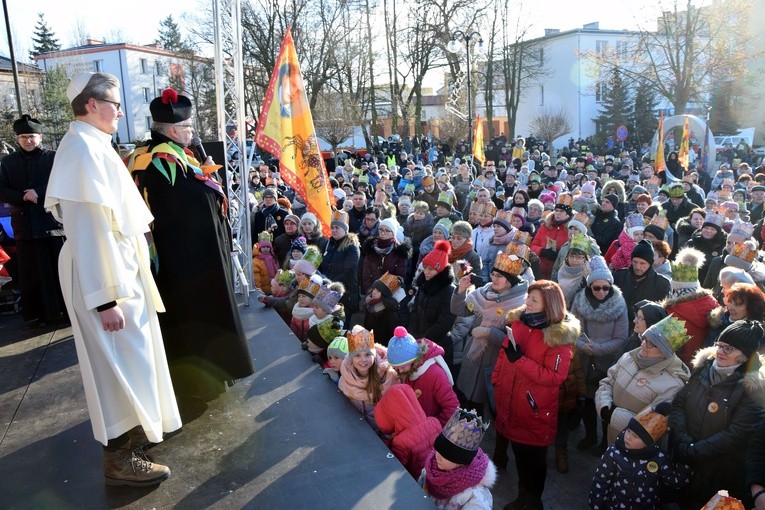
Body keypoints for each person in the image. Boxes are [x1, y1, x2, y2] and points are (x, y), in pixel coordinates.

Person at [44, 72, 181, 486]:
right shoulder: (81, 153)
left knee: (133, 362)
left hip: (115, 273)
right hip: (105, 280)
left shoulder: (92, 146)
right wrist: (105, 299)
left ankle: (136, 442)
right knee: (115, 368)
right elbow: (89, 231)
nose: (120, 112)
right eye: (115, 104)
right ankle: (120, 459)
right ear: (91, 105)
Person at [129, 88, 254, 408]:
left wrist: (206, 173)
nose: (192, 133)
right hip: (188, 262)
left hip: (182, 258)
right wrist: (211, 184)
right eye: (188, 128)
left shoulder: (157, 153)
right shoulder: (160, 160)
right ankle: (201, 383)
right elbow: (193, 205)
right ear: (172, 131)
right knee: (196, 322)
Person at [491, 280, 580, 509]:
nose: (527, 303)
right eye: (528, 298)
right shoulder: (519, 323)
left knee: (533, 460)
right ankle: (523, 498)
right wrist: (497, 379)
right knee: (520, 455)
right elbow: (504, 354)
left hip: (534, 410)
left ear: (548, 305)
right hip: (510, 401)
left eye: (534, 300)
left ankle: (532, 502)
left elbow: (554, 377)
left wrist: (520, 361)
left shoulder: (558, 338)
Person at [670, 320, 765, 509]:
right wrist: (682, 439)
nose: (720, 352)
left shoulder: (754, 389)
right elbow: (680, 401)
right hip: (685, 458)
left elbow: (736, 433)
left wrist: (695, 450)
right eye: (720, 345)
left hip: (717, 473)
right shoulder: (703, 368)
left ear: (745, 355)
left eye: (729, 348)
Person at [0, 114, 66, 325]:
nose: (28, 140)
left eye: (32, 136)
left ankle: (64, 313)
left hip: (51, 224)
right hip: (25, 226)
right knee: (32, 275)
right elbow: (1, 189)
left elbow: (63, 182)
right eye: (23, 137)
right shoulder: (7, 162)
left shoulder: (53, 157)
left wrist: (38, 192)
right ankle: (38, 315)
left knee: (58, 272)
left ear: (40, 136)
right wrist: (22, 196)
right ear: (17, 139)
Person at [453, 244, 530, 414]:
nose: (494, 279)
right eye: (493, 274)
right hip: (471, 357)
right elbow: (459, 310)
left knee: (483, 407)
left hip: (494, 362)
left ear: (510, 279)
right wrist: (461, 291)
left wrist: (489, 332)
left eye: (500, 276)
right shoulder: (483, 293)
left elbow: (515, 343)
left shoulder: (520, 304)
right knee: (464, 401)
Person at [595, 315, 691, 445]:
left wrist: (612, 416)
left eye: (651, 344)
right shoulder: (629, 357)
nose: (644, 345)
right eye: (645, 339)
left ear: (664, 352)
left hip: (637, 447)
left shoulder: (673, 384)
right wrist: (604, 406)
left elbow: (652, 424)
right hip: (612, 436)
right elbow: (607, 382)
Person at [570, 256, 629, 454]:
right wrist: (581, 345)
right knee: (586, 401)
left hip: (607, 363)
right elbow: (572, 329)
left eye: (606, 287)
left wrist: (596, 349)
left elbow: (621, 338)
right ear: (590, 287)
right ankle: (590, 435)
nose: (602, 291)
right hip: (584, 360)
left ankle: (605, 441)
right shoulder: (579, 301)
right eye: (597, 288)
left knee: (605, 404)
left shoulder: (619, 304)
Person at [588, 402, 692, 510]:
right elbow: (600, 482)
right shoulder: (614, 453)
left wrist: (686, 464)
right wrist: (596, 505)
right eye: (628, 431)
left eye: (635, 436)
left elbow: (672, 480)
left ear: (648, 443)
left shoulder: (659, 458)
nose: (628, 437)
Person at [418, 408, 496, 510]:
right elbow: (418, 491)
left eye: (447, 456)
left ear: (461, 462)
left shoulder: (475, 497)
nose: (438, 457)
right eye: (438, 451)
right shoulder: (431, 468)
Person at [386, 326, 458, 426]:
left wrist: (435, 426)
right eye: (396, 367)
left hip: (431, 428)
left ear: (413, 359)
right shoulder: (409, 371)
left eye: (402, 366)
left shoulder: (435, 374)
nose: (400, 370)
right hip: (416, 424)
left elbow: (452, 407)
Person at [375, 384, 442, 479]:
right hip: (434, 478)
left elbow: (394, 470)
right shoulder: (435, 423)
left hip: (416, 483)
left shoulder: (401, 442)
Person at [409, 240, 458, 369]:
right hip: (419, 341)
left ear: (440, 270)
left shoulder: (449, 290)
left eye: (431, 269)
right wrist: (414, 335)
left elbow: (445, 321)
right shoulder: (423, 285)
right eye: (425, 268)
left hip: (438, 345)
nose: (426, 272)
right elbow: (415, 312)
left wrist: (425, 340)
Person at [338, 325, 398, 431]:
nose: (363, 360)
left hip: (383, 432)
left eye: (367, 354)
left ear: (374, 355)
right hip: (356, 430)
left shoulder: (388, 376)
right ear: (351, 359)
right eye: (357, 356)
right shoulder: (346, 378)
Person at [613, 240, 672, 329]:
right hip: (617, 327)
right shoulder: (620, 276)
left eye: (642, 263)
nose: (637, 267)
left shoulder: (662, 284)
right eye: (635, 262)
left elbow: (662, 315)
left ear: (650, 263)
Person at [319, 210, 361, 319]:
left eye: (337, 227)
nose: (334, 230)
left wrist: (332, 284)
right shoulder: (329, 244)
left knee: (340, 324)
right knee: (326, 321)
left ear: (345, 229)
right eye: (332, 227)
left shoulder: (351, 247)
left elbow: (350, 271)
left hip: (344, 293)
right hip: (328, 290)